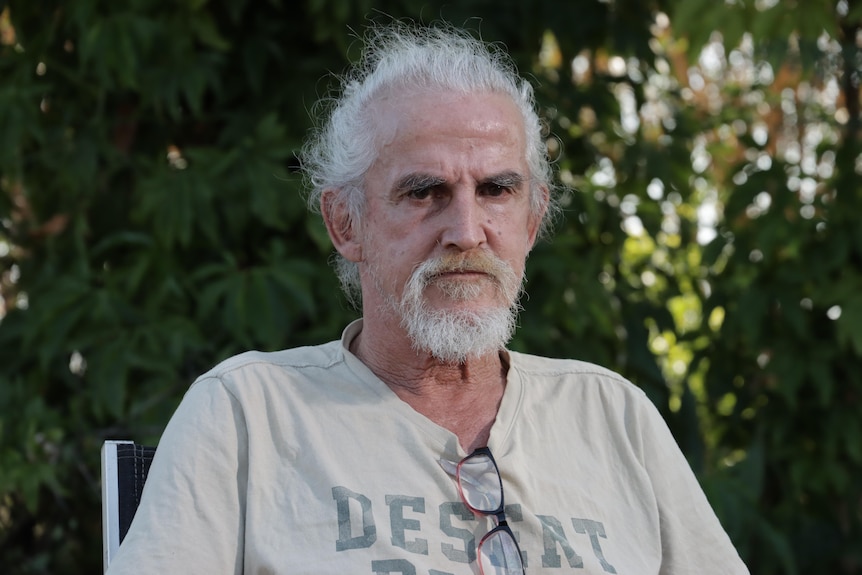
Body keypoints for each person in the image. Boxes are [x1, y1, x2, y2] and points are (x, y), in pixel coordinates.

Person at [106, 21, 749, 575]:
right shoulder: (248, 415)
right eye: (423, 193)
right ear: (345, 223)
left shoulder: (613, 416)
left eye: (497, 189)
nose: (467, 232)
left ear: (532, 220)